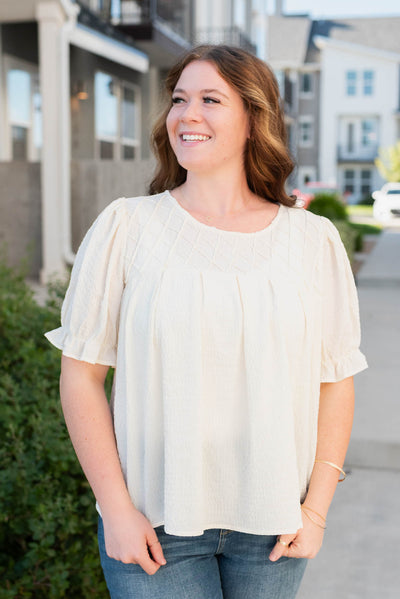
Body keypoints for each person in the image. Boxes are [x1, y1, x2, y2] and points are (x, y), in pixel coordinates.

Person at [45, 45, 368, 599]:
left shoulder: (312, 240)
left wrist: (315, 510)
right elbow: (80, 375)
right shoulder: (127, 227)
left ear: (253, 121)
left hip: (274, 523)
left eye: (210, 99)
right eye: (178, 99)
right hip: (153, 522)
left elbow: (335, 380)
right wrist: (115, 509)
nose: (186, 114)